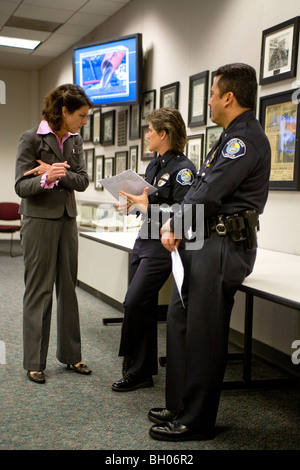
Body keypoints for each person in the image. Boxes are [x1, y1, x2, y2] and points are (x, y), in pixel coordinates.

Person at [148, 63, 271, 441]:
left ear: (229, 97)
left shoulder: (244, 140)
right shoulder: (229, 136)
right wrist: (179, 226)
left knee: (204, 333)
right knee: (182, 322)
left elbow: (211, 191)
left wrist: (174, 224)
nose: (210, 101)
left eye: (212, 95)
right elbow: (203, 190)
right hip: (205, 240)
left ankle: (196, 421)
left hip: (224, 245)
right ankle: (180, 403)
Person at [111, 107, 196, 392]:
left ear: (163, 133)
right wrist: (131, 205)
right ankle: (141, 372)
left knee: (133, 302)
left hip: (162, 246)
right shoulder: (154, 166)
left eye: (150, 130)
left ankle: (135, 369)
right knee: (142, 305)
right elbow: (147, 206)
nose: (147, 134)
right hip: (143, 240)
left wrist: (149, 207)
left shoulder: (183, 170)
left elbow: (188, 214)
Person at [15, 84, 93, 384]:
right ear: (64, 111)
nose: (84, 122)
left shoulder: (75, 140)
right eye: (81, 116)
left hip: (66, 220)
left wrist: (57, 174)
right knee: (39, 290)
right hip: (38, 220)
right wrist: (46, 178)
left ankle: (72, 356)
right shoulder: (31, 137)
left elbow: (83, 180)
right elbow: (21, 186)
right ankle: (34, 362)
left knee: (68, 289)